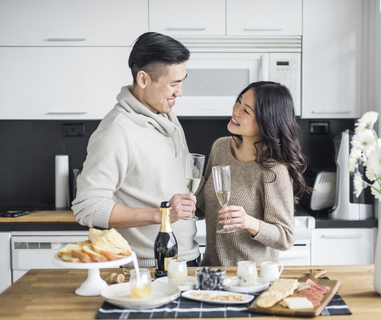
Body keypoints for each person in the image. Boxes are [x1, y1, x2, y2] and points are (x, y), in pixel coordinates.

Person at [72, 32, 200, 268]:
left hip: (187, 258)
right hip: (146, 267)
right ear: (143, 79)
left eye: (182, 81)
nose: (179, 92)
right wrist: (160, 214)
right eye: (174, 83)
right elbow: (87, 207)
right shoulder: (117, 131)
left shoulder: (167, 117)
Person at [196, 81, 311, 266]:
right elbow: (207, 205)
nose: (236, 111)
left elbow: (286, 237)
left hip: (251, 279)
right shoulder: (221, 148)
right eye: (239, 101)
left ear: (265, 122)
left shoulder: (273, 168)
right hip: (211, 272)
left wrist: (248, 222)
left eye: (246, 111)